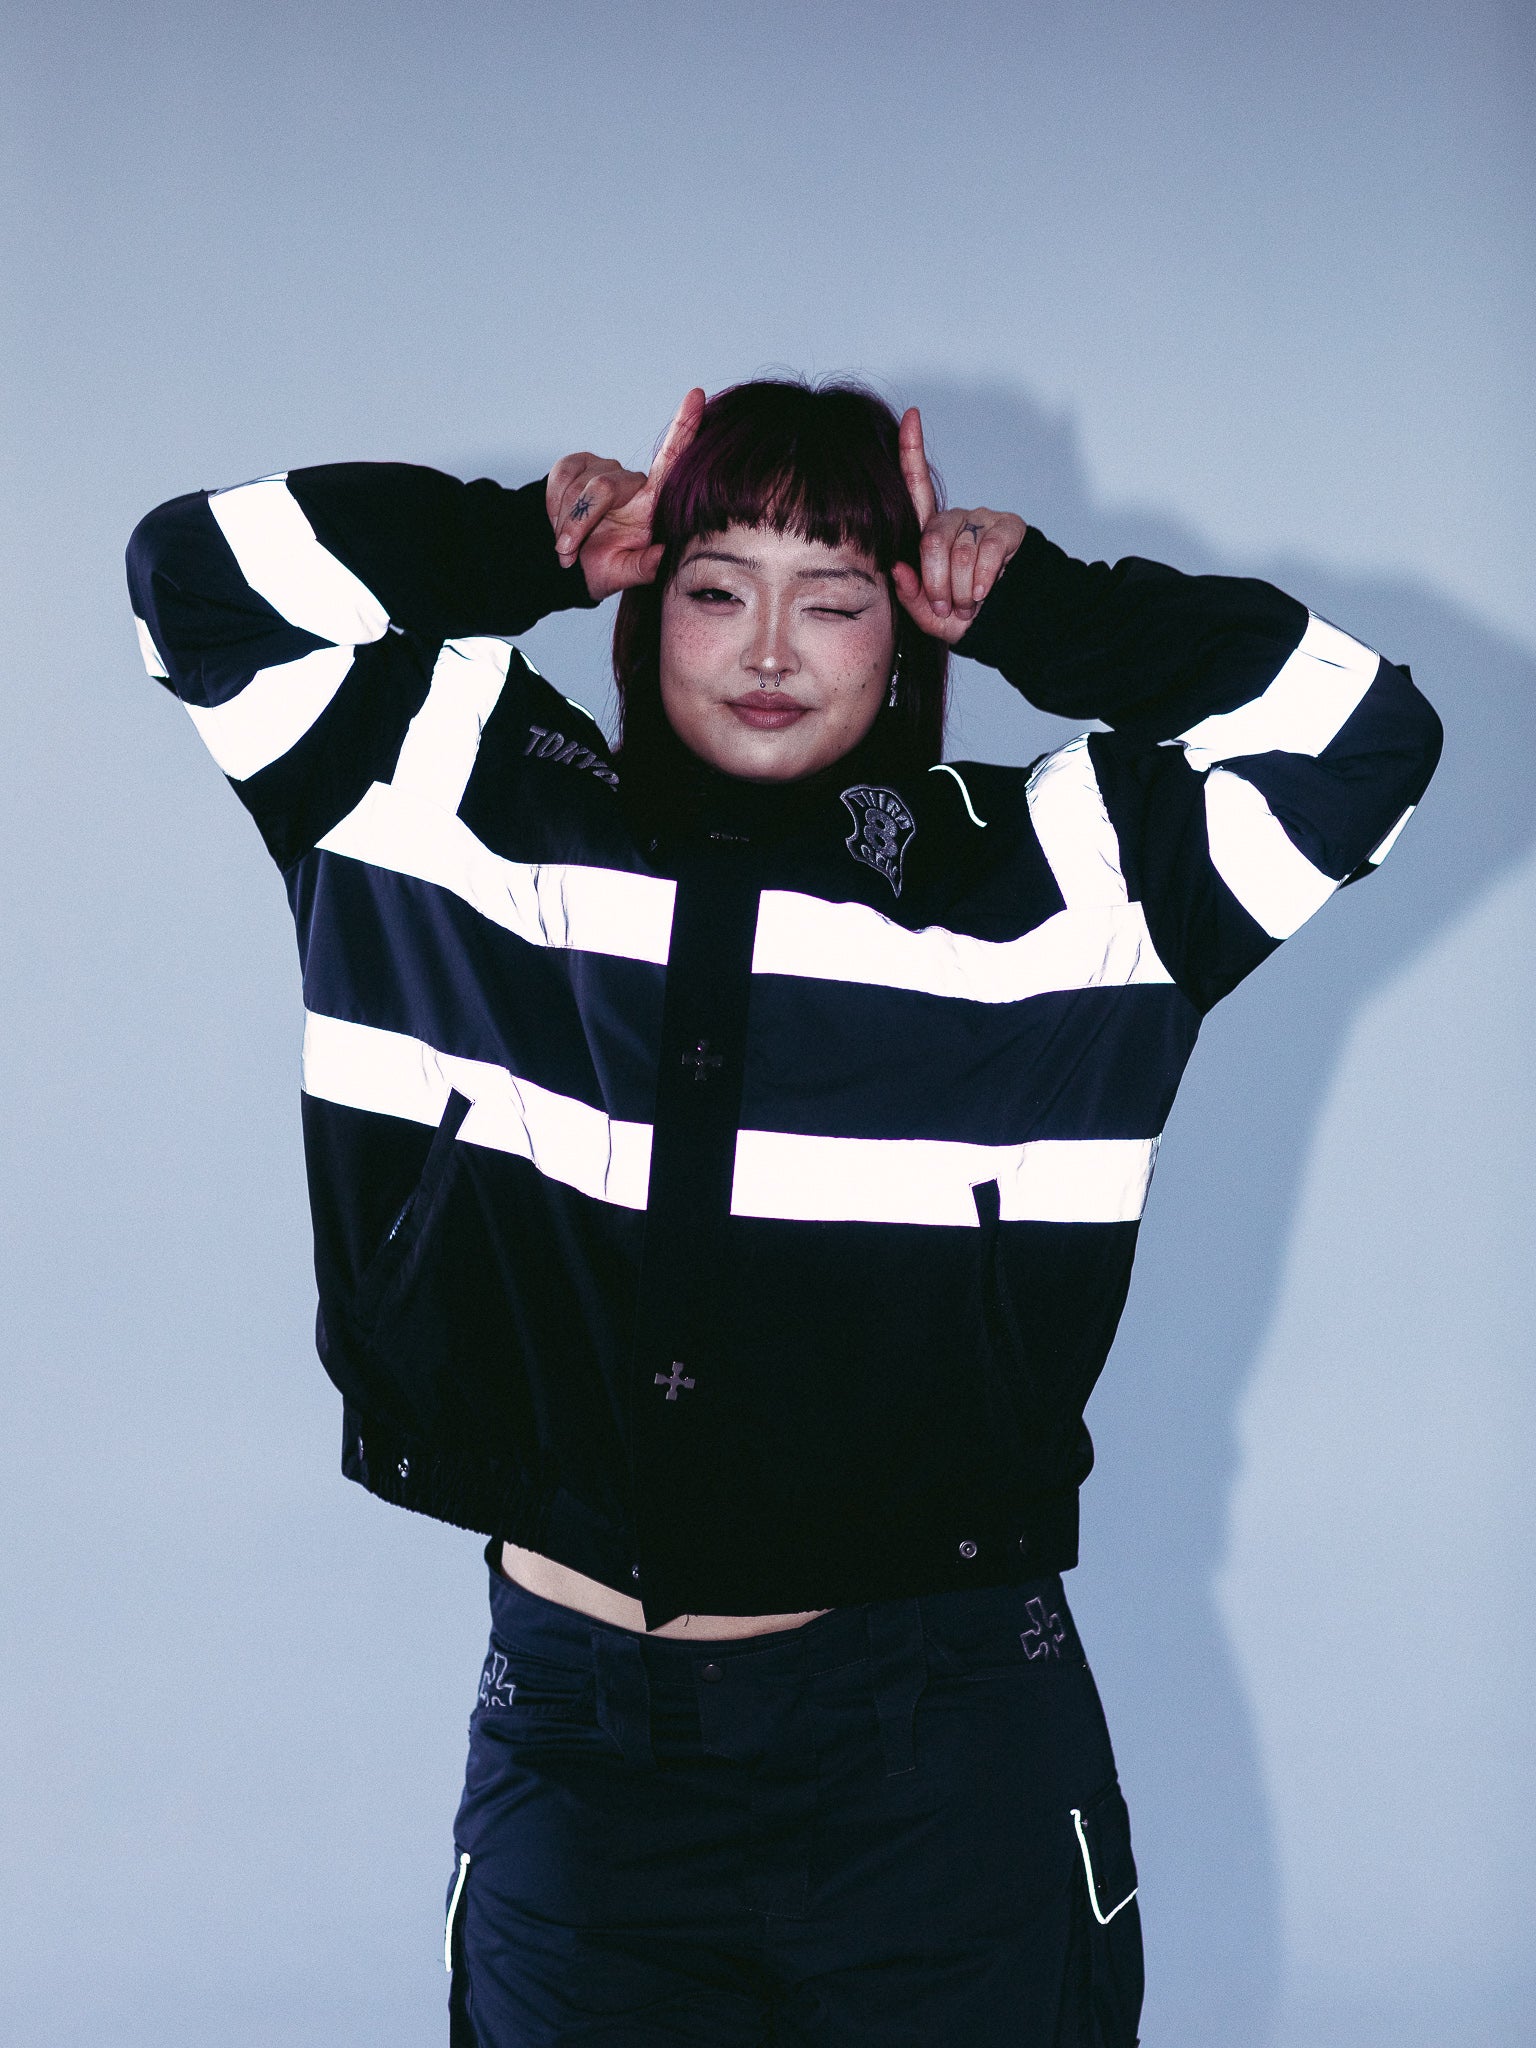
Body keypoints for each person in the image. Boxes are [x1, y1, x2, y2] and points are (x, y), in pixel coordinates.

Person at [126, 376, 1441, 2046]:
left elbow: (1364, 741)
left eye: (832, 598)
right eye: (715, 588)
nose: (768, 650)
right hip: (581, 1758)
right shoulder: (446, 801)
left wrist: (1045, 607)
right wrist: (514, 542)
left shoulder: (1065, 877)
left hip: (942, 1749)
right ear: (643, 604)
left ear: (905, 632)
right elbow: (194, 581)